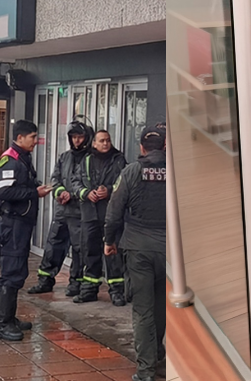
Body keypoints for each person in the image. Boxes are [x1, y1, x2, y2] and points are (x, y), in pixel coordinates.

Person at [105, 126, 168, 381]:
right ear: (164, 147)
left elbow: (114, 212)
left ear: (141, 148)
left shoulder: (131, 172)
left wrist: (109, 241)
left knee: (143, 310)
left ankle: (146, 370)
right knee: (160, 306)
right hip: (169, 251)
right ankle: (156, 353)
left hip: (139, 249)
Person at [0, 120, 53, 341]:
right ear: (20, 138)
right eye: (33, 137)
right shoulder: (10, 159)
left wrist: (34, 188)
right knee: (12, 273)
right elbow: (6, 192)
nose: (36, 142)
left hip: (22, 224)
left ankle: (9, 318)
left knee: (17, 272)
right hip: (13, 224)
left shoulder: (22, 158)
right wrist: (34, 193)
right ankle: (2, 324)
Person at [26, 120, 90, 297]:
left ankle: (75, 283)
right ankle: (45, 280)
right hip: (63, 210)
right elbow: (55, 178)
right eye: (73, 137)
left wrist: (75, 194)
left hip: (81, 211)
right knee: (53, 245)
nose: (77, 141)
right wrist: (60, 192)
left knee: (79, 249)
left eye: (80, 137)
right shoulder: (64, 157)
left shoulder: (91, 158)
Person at [70, 129, 128, 305]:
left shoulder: (119, 160)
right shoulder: (86, 160)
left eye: (108, 141)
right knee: (89, 250)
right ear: (94, 143)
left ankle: (117, 291)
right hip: (90, 214)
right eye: (101, 141)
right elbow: (75, 182)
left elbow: (125, 183)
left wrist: (109, 191)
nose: (105, 144)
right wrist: (86, 193)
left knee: (113, 253)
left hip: (111, 214)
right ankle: (89, 289)